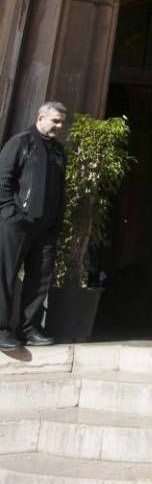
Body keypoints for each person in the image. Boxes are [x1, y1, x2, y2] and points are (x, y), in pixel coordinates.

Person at [0, 102, 68, 350]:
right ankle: (1, 329)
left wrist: (56, 222)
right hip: (17, 224)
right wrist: (11, 213)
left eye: (62, 122)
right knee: (4, 275)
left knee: (40, 279)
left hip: (46, 227)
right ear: (40, 118)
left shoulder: (59, 151)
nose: (59, 127)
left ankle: (29, 328)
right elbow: (4, 179)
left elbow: (60, 189)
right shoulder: (21, 142)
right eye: (55, 121)